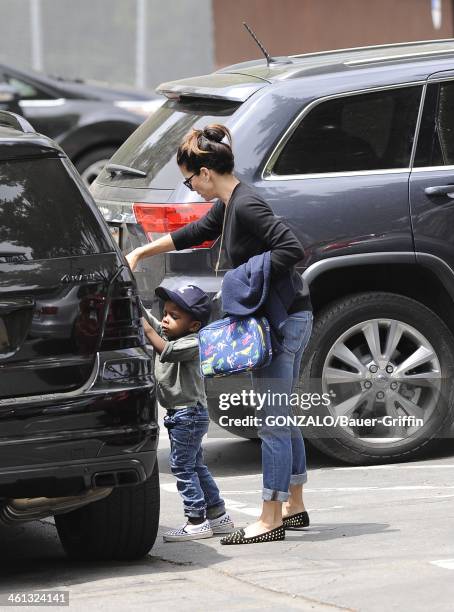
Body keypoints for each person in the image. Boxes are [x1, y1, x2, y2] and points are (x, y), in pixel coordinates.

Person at [127, 124, 313, 545]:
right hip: (282, 319)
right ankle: (294, 505)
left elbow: (291, 249)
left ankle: (270, 517)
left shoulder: (246, 205)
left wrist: (242, 278)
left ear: (207, 172)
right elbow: (195, 233)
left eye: (190, 179)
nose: (190, 187)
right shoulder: (229, 205)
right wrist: (141, 250)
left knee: (272, 421)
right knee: (281, 414)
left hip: (283, 321)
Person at [142, 283, 234, 542]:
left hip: (188, 415)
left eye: (174, 316)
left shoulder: (194, 341)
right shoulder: (170, 332)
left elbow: (166, 351)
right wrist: (131, 298)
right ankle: (218, 515)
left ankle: (196, 520)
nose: (165, 319)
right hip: (181, 415)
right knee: (195, 465)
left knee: (181, 466)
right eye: (166, 312)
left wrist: (147, 328)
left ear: (194, 325)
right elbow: (149, 319)